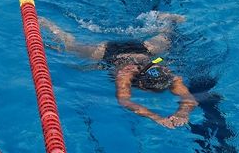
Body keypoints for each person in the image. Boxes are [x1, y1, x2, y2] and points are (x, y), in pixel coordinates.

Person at [40, 14, 196, 128]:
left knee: (167, 36)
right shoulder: (126, 73)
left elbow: (190, 99)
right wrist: (156, 118)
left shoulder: (169, 77)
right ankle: (47, 24)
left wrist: (183, 114)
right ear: (142, 84)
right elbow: (124, 100)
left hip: (144, 49)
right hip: (107, 52)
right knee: (70, 46)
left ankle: (168, 20)